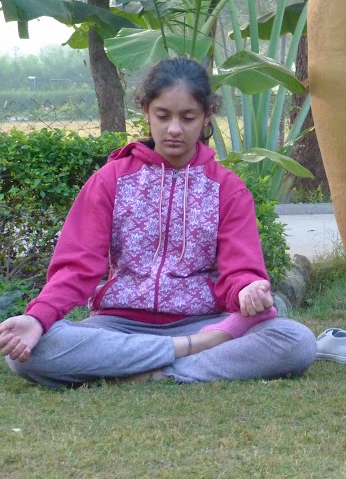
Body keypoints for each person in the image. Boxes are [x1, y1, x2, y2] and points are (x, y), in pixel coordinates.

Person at [0, 58, 316, 386]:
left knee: (294, 340)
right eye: (163, 116)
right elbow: (76, 269)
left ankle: (149, 371)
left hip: (202, 323)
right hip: (119, 325)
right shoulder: (111, 180)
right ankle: (184, 356)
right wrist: (37, 319)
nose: (174, 129)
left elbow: (239, 271)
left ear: (207, 116)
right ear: (146, 112)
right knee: (28, 352)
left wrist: (249, 288)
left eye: (188, 117)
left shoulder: (228, 190)